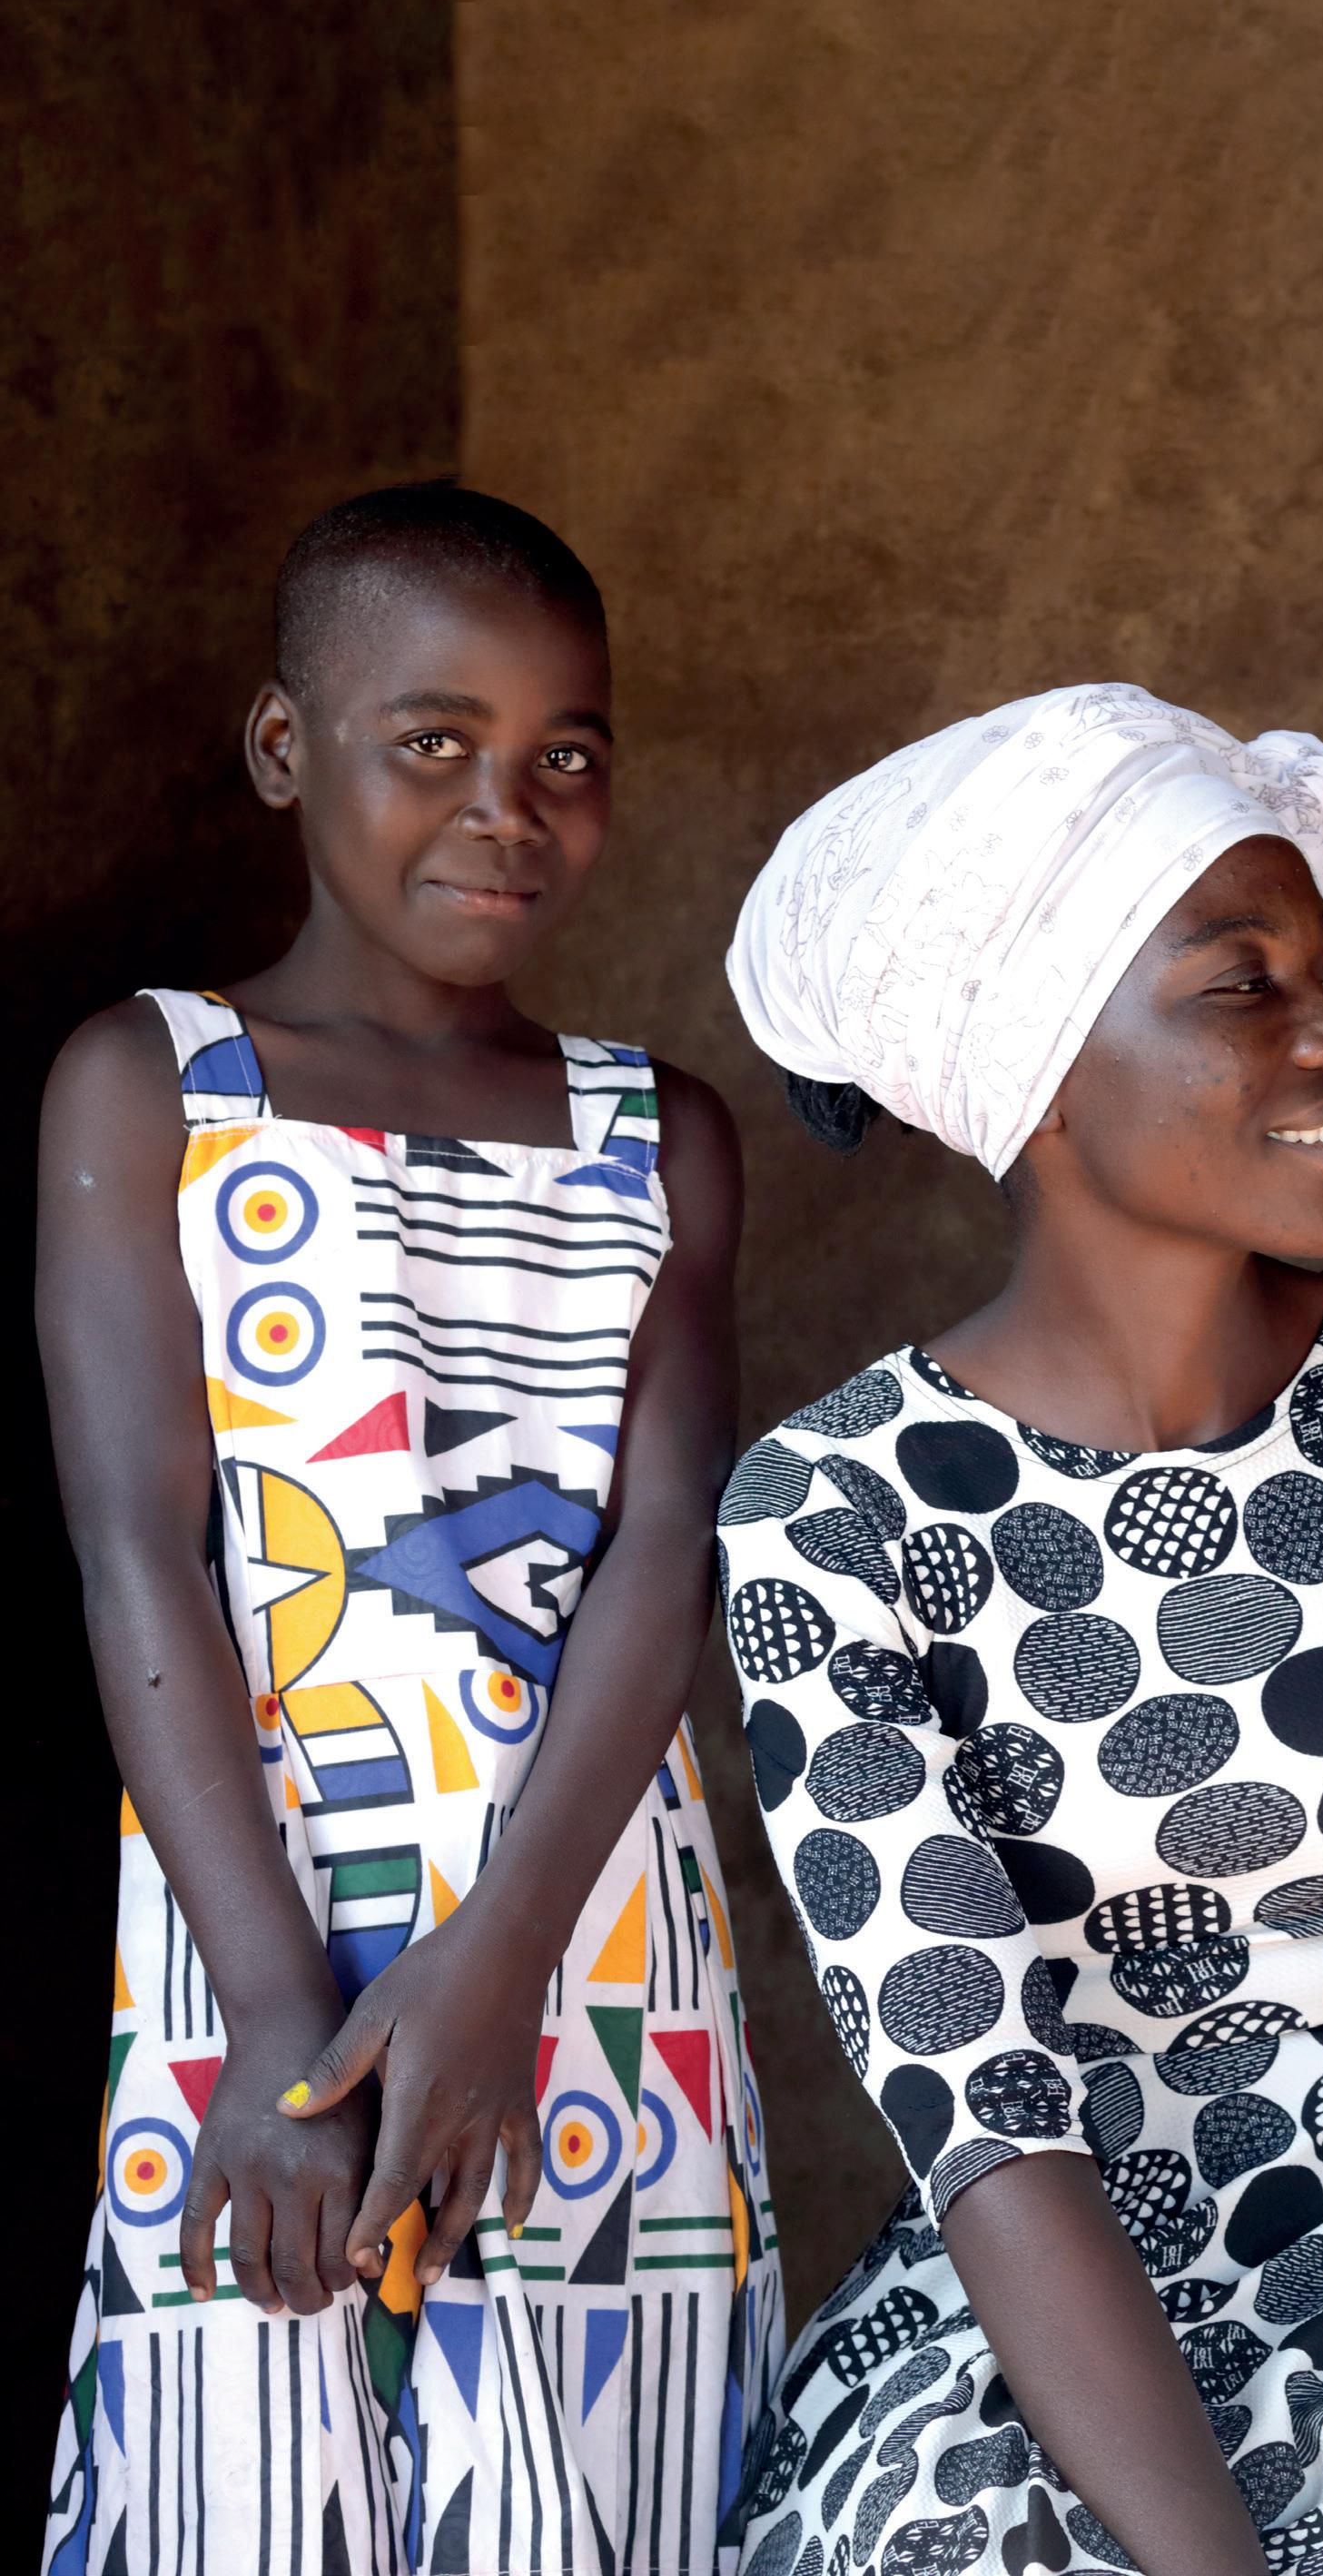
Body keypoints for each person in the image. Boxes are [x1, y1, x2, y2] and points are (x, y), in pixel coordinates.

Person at [716, 683, 1323, 2576]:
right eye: (1240, 986)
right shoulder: (832, 1511)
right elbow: (979, 2109)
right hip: (1052, 2299)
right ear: (1033, 1072)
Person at [41, 486, 782, 2575]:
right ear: (289, 748)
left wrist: (501, 1965)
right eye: (434, 742)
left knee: (609, 2469)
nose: (504, 810)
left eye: (567, 754)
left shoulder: (658, 1136)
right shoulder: (154, 1084)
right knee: (255, 2469)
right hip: (257, 1922)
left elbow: (663, 1550)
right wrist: (279, 2013)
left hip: (590, 1937)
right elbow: (141, 1552)